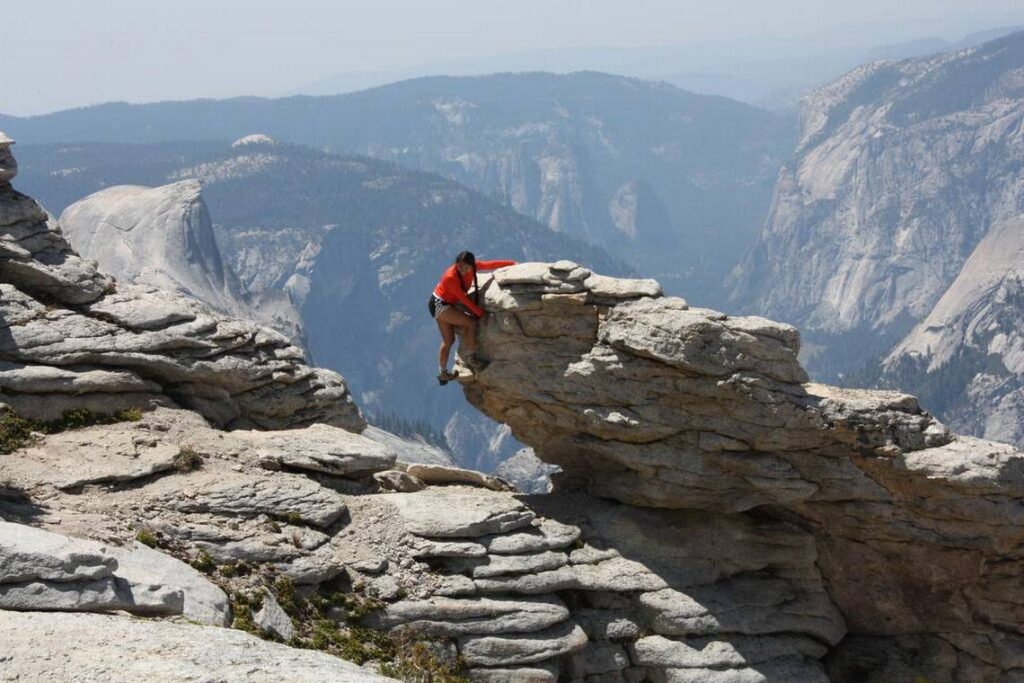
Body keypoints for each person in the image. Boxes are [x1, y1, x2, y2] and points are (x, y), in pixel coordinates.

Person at [429, 250, 516, 385]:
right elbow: (464, 299)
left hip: (441, 303)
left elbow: (490, 265)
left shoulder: (473, 267)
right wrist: (480, 313)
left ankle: (443, 373)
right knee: (470, 323)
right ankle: (471, 357)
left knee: (449, 341)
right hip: (439, 305)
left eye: (465, 267)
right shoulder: (450, 277)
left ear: (471, 265)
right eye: (459, 266)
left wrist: (512, 263)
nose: (462, 269)